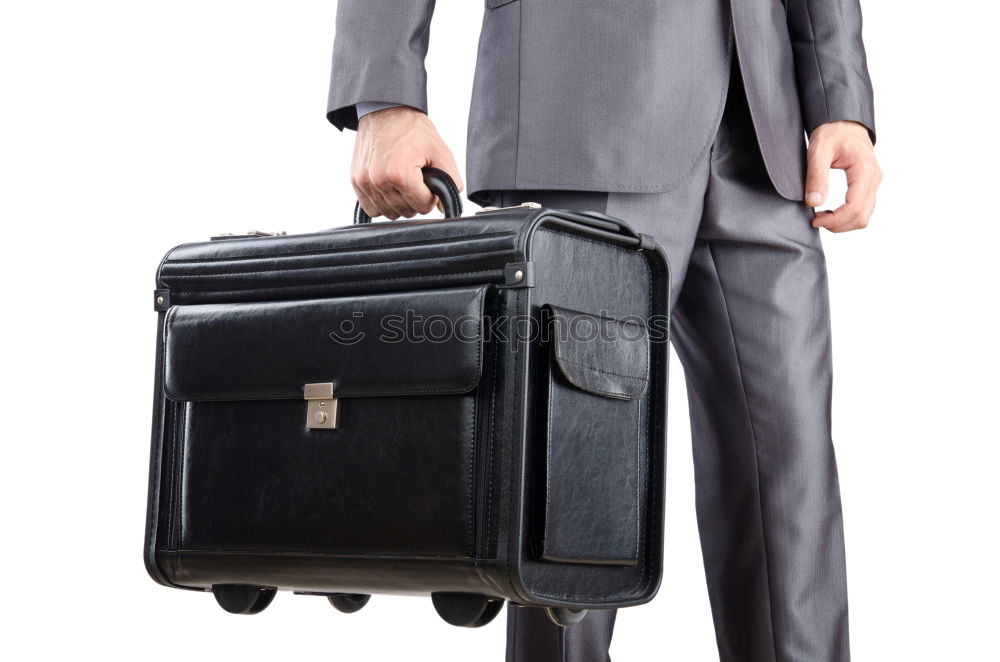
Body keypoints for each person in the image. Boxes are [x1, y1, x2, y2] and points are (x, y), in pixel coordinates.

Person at [326, 1, 880, 660]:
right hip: (581, 113)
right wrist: (382, 91)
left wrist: (838, 89)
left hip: (766, 130)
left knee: (793, 475)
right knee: (571, 479)